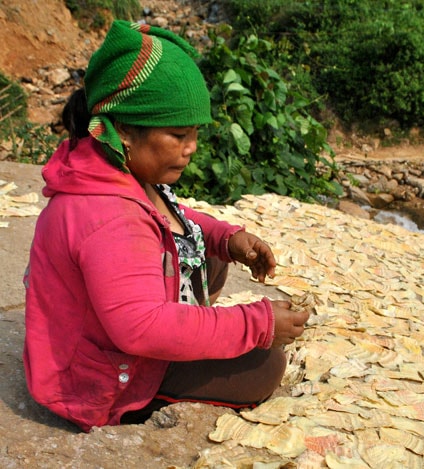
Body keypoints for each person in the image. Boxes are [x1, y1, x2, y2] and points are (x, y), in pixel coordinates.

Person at [22, 20, 310, 432]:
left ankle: (192, 322)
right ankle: (148, 392)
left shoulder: (113, 166)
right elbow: (141, 329)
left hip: (107, 322)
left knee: (205, 255)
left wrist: (224, 238)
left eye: (194, 133)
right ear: (123, 127)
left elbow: (169, 217)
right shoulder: (107, 216)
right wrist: (256, 323)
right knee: (265, 365)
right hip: (100, 372)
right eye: (177, 135)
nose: (190, 148)